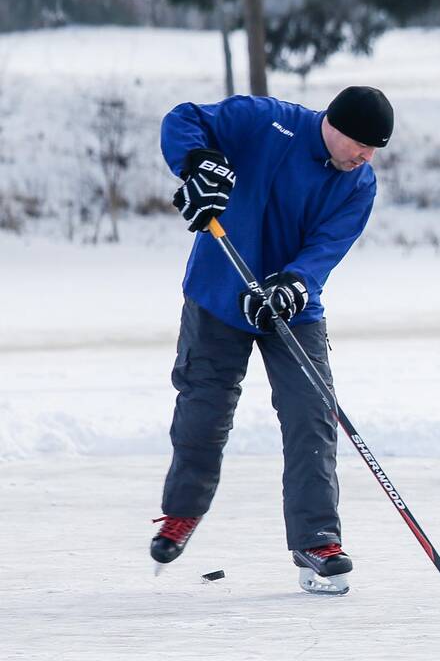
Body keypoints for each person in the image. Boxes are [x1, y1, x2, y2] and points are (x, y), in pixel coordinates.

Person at [150, 86, 394, 595]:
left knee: (312, 415)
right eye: (362, 145)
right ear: (335, 125)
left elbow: (326, 248)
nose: (366, 157)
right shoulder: (264, 121)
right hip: (220, 289)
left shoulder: (359, 185)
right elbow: (182, 118)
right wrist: (198, 163)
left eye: (375, 150)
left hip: (292, 306)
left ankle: (317, 539)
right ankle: (181, 512)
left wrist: (294, 284)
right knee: (204, 407)